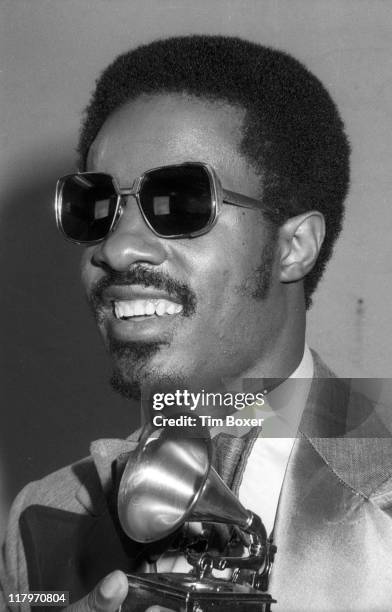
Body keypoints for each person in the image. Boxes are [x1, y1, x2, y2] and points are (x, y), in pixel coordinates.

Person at [1, 35, 391, 612]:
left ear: (294, 247)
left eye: (179, 202)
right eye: (96, 207)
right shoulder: (46, 516)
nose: (118, 247)